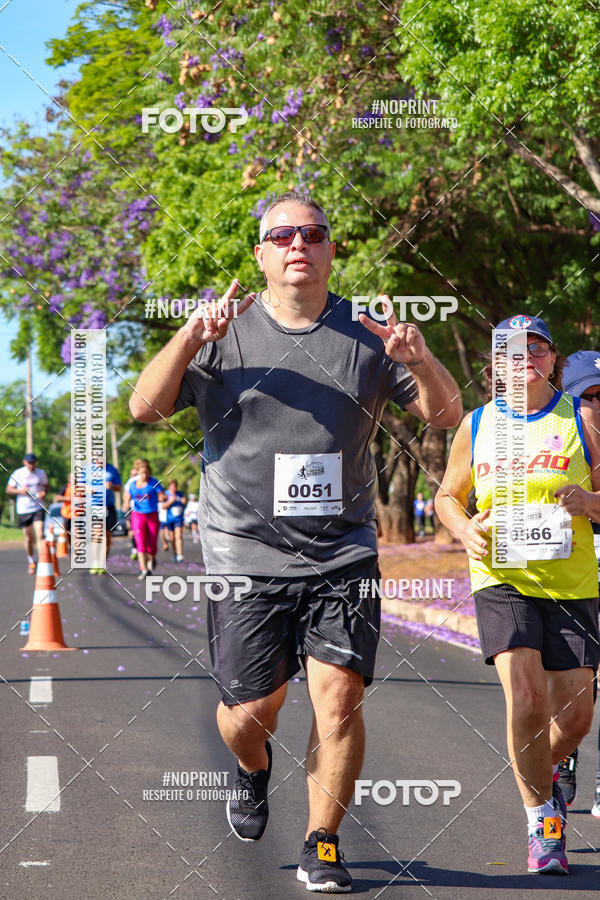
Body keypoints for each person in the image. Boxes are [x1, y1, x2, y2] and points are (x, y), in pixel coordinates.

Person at [130, 190, 461, 892]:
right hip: (244, 553)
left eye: (312, 233)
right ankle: (253, 771)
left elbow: (444, 416)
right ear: (261, 254)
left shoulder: (369, 334)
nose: (297, 245)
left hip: (342, 550)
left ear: (331, 249)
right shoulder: (225, 333)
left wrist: (421, 359)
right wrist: (190, 336)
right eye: (282, 235)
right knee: (252, 713)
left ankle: (323, 841)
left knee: (338, 697)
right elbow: (145, 408)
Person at [435, 315, 600, 876]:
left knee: (575, 718)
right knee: (527, 701)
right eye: (510, 349)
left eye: (537, 347)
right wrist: (463, 529)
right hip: (501, 576)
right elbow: (447, 497)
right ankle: (541, 823)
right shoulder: (477, 423)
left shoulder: (583, 418)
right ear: (495, 363)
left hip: (572, 583)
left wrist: (589, 501)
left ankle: (548, 766)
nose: (524, 356)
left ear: (553, 359)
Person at [558, 350, 600, 818]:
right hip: (570, 569)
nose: (596, 403)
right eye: (586, 395)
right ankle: (563, 753)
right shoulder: (556, 437)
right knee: (577, 680)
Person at [122, 459, 165, 580]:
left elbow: (162, 494)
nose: (144, 475)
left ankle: (152, 558)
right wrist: (125, 503)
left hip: (152, 515)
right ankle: (143, 569)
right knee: (140, 542)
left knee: (152, 544)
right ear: (138, 473)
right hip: (138, 516)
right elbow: (126, 496)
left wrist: (162, 497)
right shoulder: (132, 484)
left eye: (146, 473)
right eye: (142, 473)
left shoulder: (154, 482)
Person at [6, 452, 48, 573]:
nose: (32, 465)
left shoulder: (41, 473)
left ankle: (42, 562)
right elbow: (8, 489)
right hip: (23, 509)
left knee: (39, 533)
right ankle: (31, 561)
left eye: (33, 462)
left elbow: (46, 486)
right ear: (24, 462)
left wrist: (44, 492)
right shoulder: (18, 473)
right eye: (29, 463)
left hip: (38, 507)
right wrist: (20, 491)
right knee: (28, 537)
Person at [89, 461, 122, 574]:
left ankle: (103, 562)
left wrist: (112, 486)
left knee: (107, 535)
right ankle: (95, 561)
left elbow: (119, 487)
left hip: (109, 506)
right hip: (95, 505)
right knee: (97, 533)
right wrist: (88, 489)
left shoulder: (112, 469)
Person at [164, 479, 186, 562]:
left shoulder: (180, 494)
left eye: (175, 486)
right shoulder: (166, 494)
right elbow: (163, 506)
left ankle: (180, 555)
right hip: (170, 519)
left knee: (178, 535)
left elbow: (184, 502)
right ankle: (175, 553)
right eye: (172, 486)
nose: (173, 488)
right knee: (172, 538)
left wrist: (180, 500)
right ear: (169, 487)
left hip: (178, 519)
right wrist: (170, 501)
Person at [54, 473, 72, 553]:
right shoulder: (65, 487)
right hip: (67, 514)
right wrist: (69, 498)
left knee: (78, 531)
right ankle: (70, 546)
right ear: (69, 479)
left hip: (79, 514)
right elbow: (57, 498)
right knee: (68, 532)